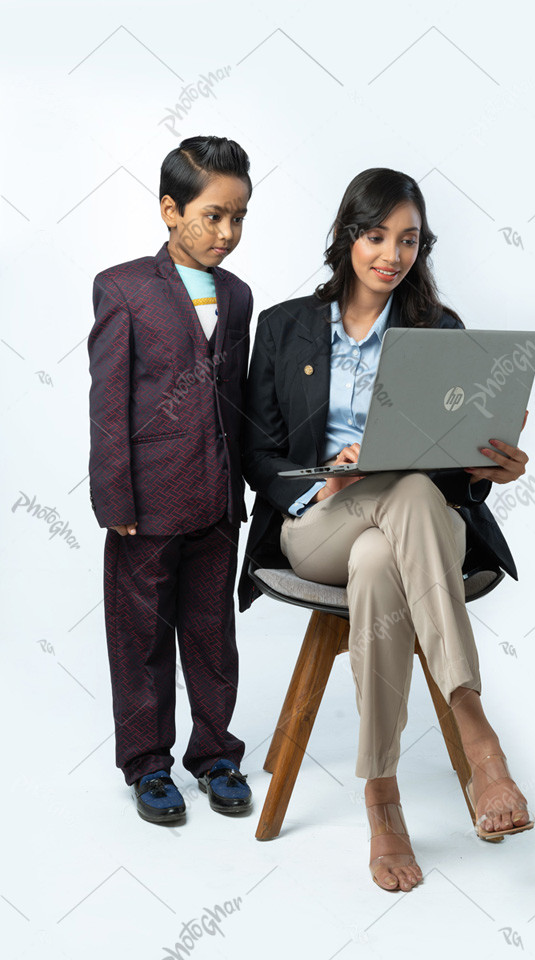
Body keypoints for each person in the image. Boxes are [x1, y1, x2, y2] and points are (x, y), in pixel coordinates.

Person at [238, 167, 534, 891]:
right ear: (347, 237)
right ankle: (477, 733)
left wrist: (489, 470)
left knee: (383, 551)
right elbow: (257, 454)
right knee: (385, 506)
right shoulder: (283, 327)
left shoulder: (440, 331)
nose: (391, 255)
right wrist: (325, 477)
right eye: (377, 236)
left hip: (417, 526)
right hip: (318, 522)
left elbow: (457, 466)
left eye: (408, 240)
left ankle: (382, 798)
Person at [88, 135, 254, 824]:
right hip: (147, 504)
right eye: (213, 215)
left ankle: (216, 754)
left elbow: (237, 399)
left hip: (217, 501)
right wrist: (114, 496)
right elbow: (108, 401)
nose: (227, 232)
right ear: (169, 208)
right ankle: (147, 762)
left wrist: (242, 490)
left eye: (239, 217)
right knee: (142, 638)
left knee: (213, 638)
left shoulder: (239, 296)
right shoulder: (124, 288)